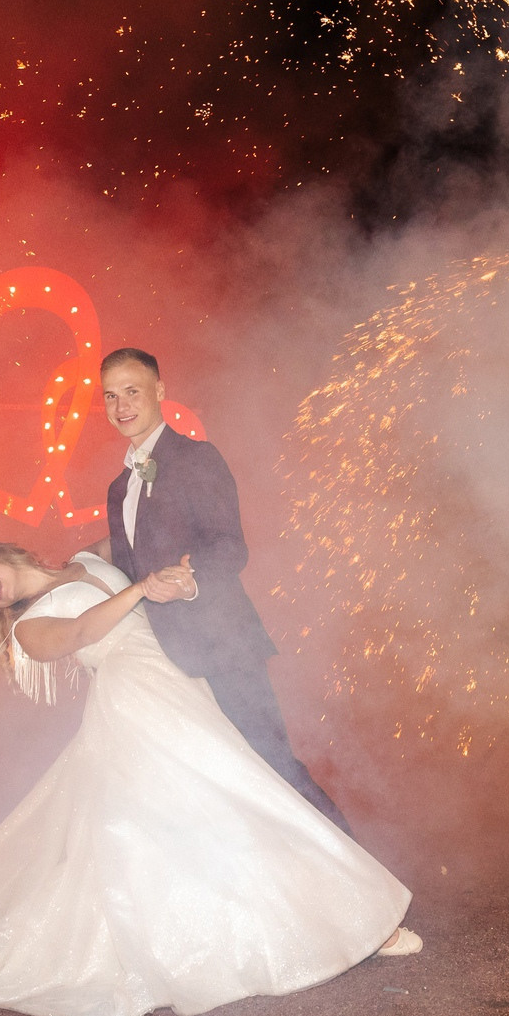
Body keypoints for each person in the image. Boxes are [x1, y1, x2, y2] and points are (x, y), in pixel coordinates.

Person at [0, 541, 420, 1016]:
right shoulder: (28, 629)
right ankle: (339, 926)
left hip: (179, 674)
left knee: (228, 799)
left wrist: (179, 575)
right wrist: (139, 589)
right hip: (136, 696)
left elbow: (153, 545)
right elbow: (76, 636)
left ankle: (323, 923)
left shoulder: (86, 553)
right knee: (229, 799)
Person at [93, 347, 350, 827]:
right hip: (162, 663)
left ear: (160, 392)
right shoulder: (116, 488)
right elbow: (132, 571)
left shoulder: (196, 456)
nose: (121, 406)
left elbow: (231, 547)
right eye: (110, 396)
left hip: (223, 644)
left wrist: (190, 583)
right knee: (213, 786)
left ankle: (366, 886)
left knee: (272, 766)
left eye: (132, 392)